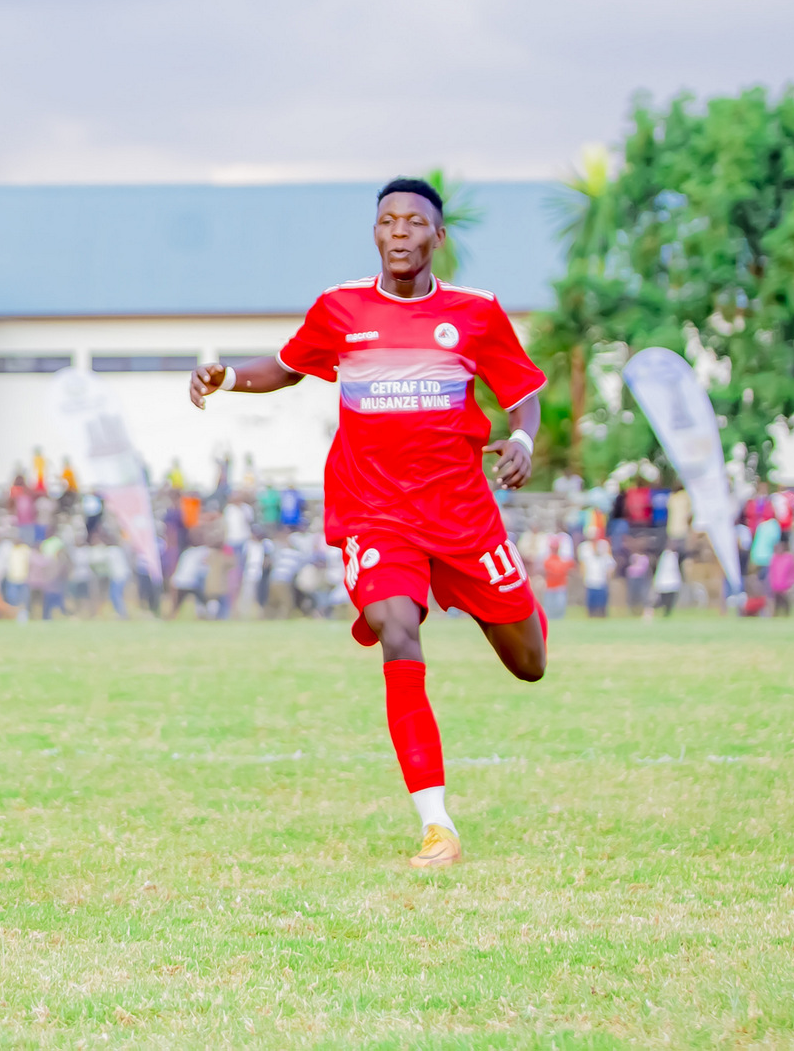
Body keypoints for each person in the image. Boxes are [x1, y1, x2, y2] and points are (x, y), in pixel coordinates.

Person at [190, 177, 548, 870]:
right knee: (396, 627)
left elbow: (523, 392)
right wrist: (227, 377)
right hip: (374, 512)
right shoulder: (341, 308)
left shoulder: (475, 313)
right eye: (388, 221)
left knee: (528, 664)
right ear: (376, 233)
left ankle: (499, 602)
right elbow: (288, 367)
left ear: (438, 236)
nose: (400, 231)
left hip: (462, 514)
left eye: (415, 221)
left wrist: (524, 440)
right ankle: (437, 824)